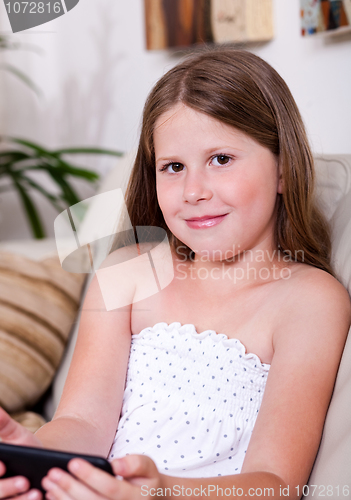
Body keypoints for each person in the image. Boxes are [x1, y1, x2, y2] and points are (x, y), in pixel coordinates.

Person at [0, 48, 350, 500]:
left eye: (221, 158)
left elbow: (276, 483)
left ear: (283, 168)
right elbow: (82, 423)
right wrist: (36, 453)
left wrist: (160, 492)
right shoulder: (130, 267)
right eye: (174, 167)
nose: (194, 191)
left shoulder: (309, 301)